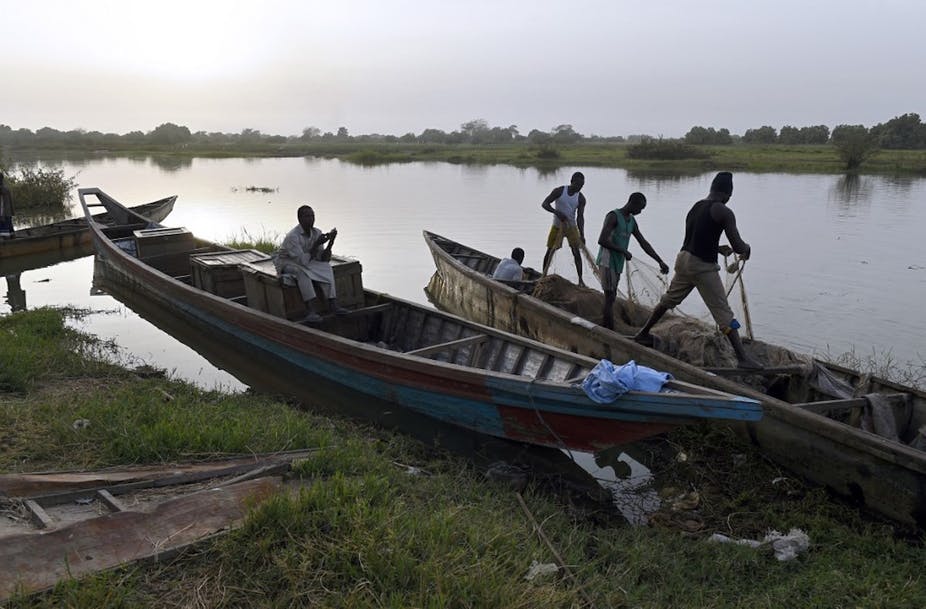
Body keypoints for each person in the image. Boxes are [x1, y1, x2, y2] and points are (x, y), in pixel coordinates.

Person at [633, 172, 762, 369]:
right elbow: (738, 246)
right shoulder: (724, 211)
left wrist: (718, 248)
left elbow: (697, 238)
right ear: (728, 194)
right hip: (702, 267)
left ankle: (643, 333)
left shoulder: (697, 207)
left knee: (669, 299)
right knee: (723, 313)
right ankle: (743, 359)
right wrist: (747, 249)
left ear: (711, 188)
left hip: (684, 259)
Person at [595, 192, 670, 330]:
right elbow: (602, 240)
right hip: (607, 261)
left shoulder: (631, 221)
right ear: (632, 203)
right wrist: (623, 251)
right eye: (640, 208)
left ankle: (607, 327)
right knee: (610, 296)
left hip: (617, 262)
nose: (640, 212)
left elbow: (643, 242)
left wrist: (659, 261)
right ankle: (608, 330)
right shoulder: (613, 216)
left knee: (612, 295)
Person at [274, 205, 350, 323]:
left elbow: (323, 259)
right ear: (299, 219)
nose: (311, 219)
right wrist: (316, 244)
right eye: (307, 216)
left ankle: (333, 303)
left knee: (327, 268)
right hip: (287, 263)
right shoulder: (293, 237)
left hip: (306, 261)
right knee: (302, 273)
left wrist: (331, 242)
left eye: (312, 216)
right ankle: (310, 310)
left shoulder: (316, 233)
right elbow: (302, 262)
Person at [541, 171, 587, 286]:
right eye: (578, 185)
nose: (579, 188)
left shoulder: (581, 198)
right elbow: (545, 204)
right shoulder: (560, 191)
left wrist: (582, 234)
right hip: (557, 226)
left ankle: (580, 280)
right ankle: (543, 275)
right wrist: (556, 212)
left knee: (576, 252)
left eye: (582, 186)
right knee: (550, 251)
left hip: (571, 227)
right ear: (572, 181)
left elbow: (580, 217)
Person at [0, 173, 14, 239]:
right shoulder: (6, 188)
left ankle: (8, 245)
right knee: (10, 231)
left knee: (5, 233)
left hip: (4, 214)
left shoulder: (3, 189)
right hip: (8, 213)